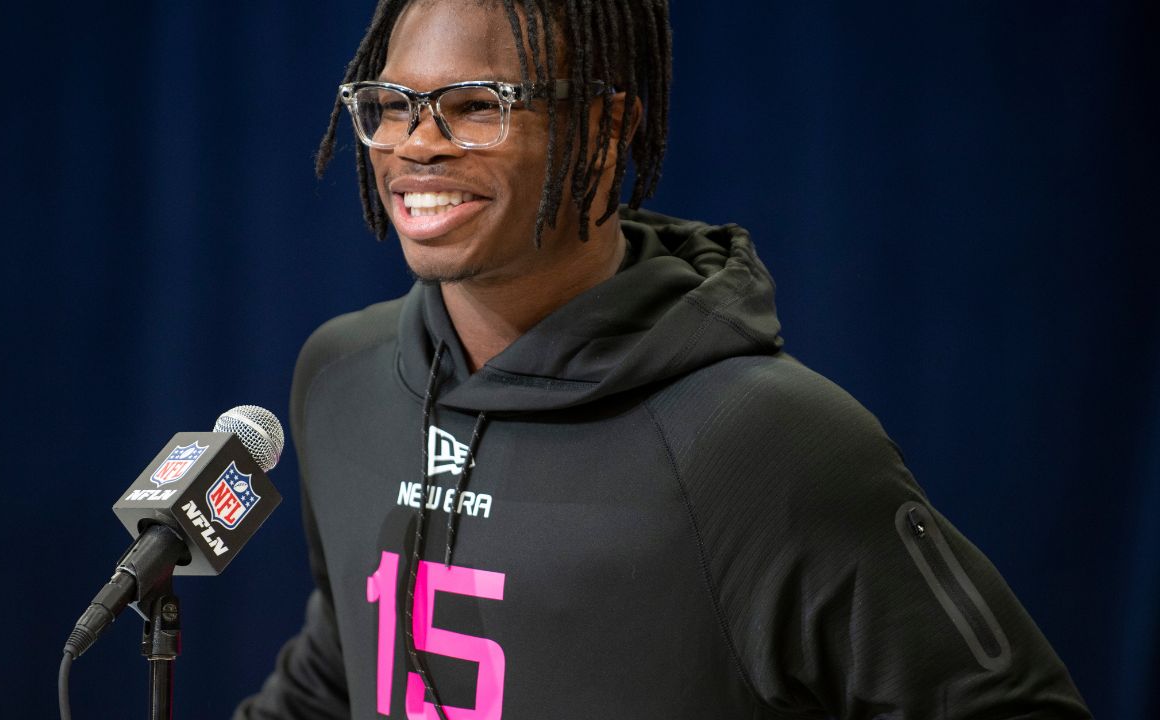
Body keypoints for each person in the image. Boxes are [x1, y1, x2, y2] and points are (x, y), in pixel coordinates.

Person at [237, 1, 1092, 717]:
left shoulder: (767, 441)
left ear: (607, 130)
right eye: (389, 104)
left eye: (474, 104)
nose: (414, 143)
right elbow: (339, 669)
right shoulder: (343, 374)